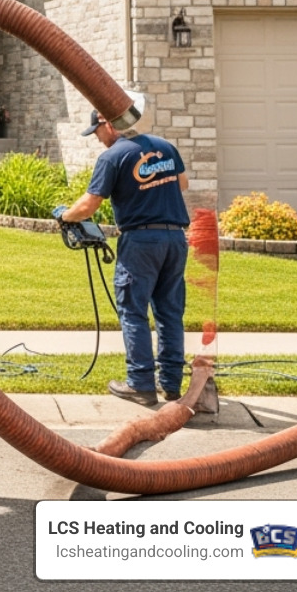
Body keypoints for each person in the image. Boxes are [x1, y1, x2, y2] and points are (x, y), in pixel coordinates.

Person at [57, 110, 190, 406]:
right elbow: (182, 184)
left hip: (141, 241)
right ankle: (170, 384)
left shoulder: (113, 156)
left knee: (132, 310)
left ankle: (140, 383)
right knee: (169, 311)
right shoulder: (165, 147)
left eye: (97, 131)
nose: (97, 138)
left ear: (108, 124)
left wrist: (65, 216)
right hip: (175, 239)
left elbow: (89, 205)